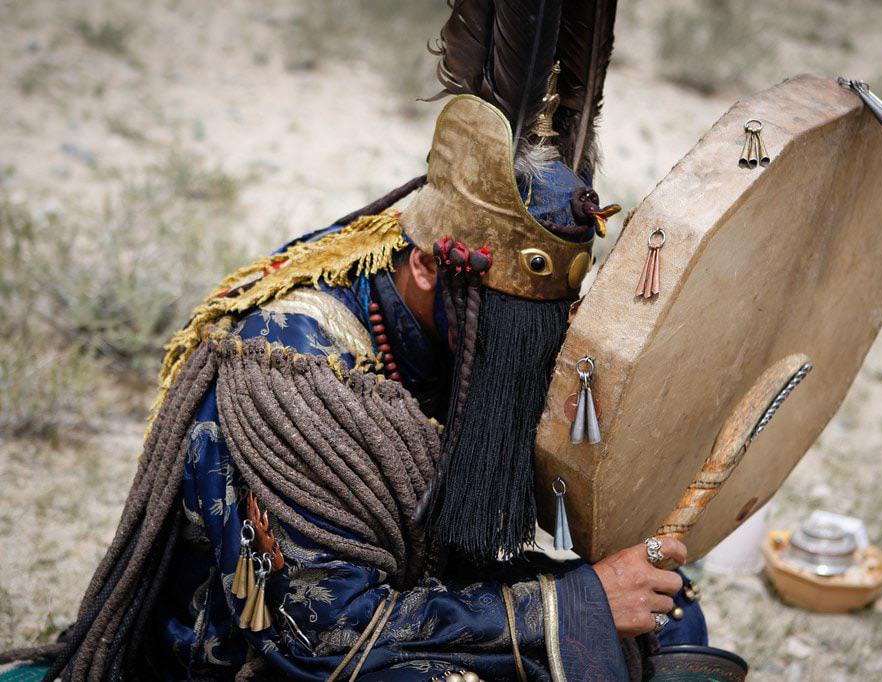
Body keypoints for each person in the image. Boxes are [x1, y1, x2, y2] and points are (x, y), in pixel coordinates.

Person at [0, 1, 713, 680]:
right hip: (260, 653)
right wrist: (578, 604)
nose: (527, 353)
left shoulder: (453, 320)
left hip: (407, 589)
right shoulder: (291, 378)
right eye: (505, 327)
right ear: (429, 265)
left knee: (666, 616)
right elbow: (322, 638)